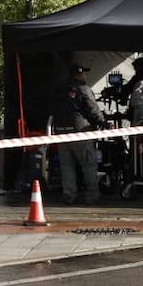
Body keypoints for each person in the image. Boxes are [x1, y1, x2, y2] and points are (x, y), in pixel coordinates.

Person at [52, 64, 105, 204]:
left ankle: (69, 196)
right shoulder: (83, 89)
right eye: (83, 74)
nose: (85, 76)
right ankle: (91, 196)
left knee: (66, 166)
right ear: (78, 75)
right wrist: (102, 122)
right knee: (88, 164)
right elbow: (92, 109)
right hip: (80, 132)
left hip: (61, 131)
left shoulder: (59, 90)